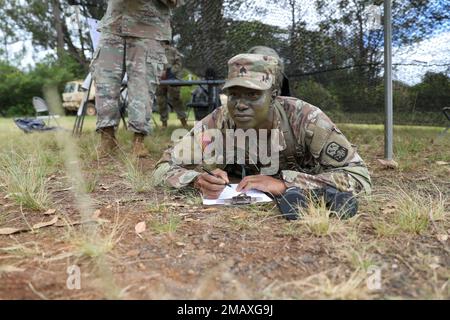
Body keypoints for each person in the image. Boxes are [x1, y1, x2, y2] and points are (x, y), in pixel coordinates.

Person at [153, 54, 371, 219]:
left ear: (274, 96)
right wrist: (196, 180)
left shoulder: (306, 119)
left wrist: (285, 184)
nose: (240, 104)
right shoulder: (218, 121)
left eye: (253, 95)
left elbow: (359, 175)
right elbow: (163, 167)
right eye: (234, 95)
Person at [91, 0, 182, 158]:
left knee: (142, 88)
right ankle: (107, 138)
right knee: (105, 82)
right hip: (113, 26)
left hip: (148, 31)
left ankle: (138, 141)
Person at [157, 41, 188, 128]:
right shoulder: (155, 50)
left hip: (172, 79)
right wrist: (159, 72)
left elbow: (178, 64)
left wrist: (169, 72)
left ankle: (183, 122)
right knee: (161, 101)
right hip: (159, 80)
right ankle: (164, 124)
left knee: (176, 100)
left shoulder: (173, 51)